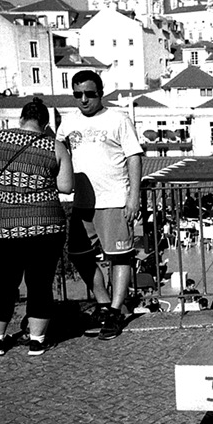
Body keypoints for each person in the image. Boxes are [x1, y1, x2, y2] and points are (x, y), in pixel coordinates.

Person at [0, 97, 74, 356]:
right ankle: (37, 340)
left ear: (21, 119)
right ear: (45, 124)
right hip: (45, 225)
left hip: (2, 224)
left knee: (3, 283)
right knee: (40, 283)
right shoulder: (54, 145)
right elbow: (66, 187)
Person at [57, 70, 143, 340]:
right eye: (78, 94)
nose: (83, 99)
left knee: (120, 256)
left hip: (114, 200)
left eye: (89, 94)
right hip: (81, 203)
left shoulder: (118, 119)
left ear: (100, 93)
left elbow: (134, 157)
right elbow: (57, 154)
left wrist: (134, 197)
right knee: (78, 255)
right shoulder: (68, 122)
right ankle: (104, 302)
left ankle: (115, 312)